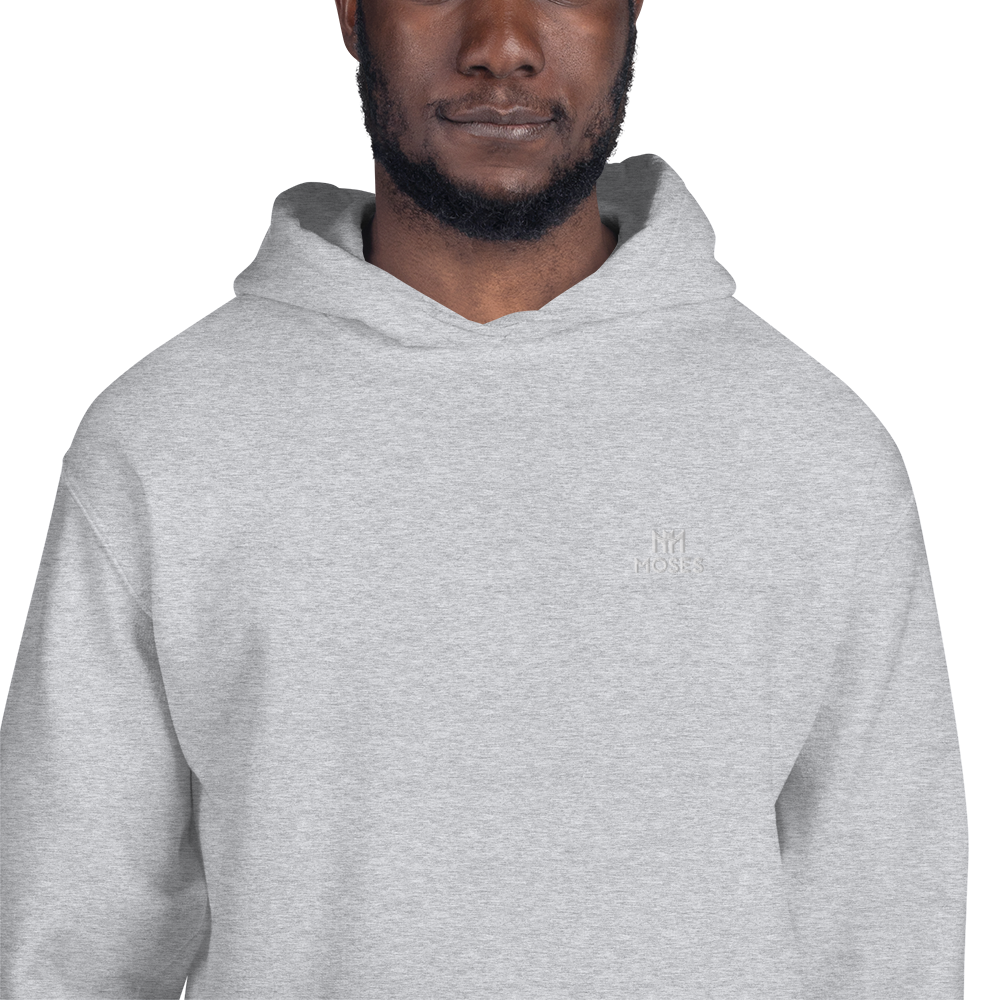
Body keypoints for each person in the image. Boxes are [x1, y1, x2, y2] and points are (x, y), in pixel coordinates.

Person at [0, 1, 967, 997]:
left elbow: (885, 933)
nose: (500, 44)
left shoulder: (812, 447)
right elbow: (76, 949)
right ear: (351, 12)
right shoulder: (166, 440)